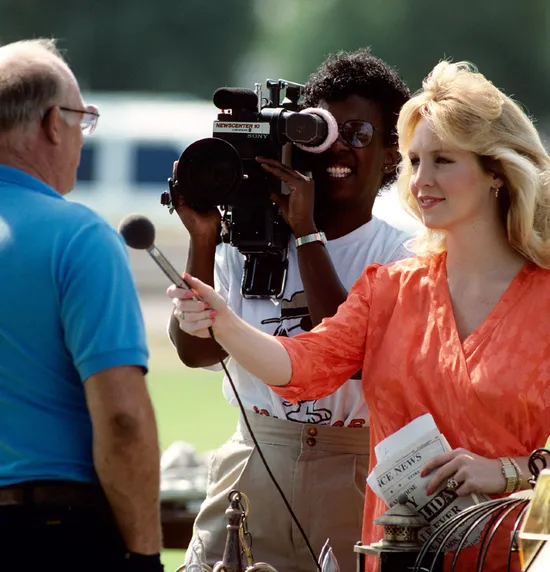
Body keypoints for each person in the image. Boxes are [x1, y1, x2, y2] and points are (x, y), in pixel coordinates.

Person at [171, 60, 550, 572]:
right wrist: (223, 320)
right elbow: (304, 365)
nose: (421, 181)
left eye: (442, 161)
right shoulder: (390, 286)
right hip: (393, 551)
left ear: (496, 173)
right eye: (415, 161)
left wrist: (509, 471)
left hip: (507, 553)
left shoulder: (542, 300)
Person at [168, 49, 411, 571]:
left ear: (393, 154)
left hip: (353, 470)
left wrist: (306, 233)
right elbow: (196, 352)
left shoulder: (402, 254)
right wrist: (205, 238)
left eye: (359, 134)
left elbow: (349, 356)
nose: (338, 147)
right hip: (254, 460)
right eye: (323, 132)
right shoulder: (247, 241)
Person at [0, 39, 163, 572]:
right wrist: (144, 556)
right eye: (81, 119)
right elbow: (122, 419)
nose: (80, 137)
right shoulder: (79, 236)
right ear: (53, 123)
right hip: (48, 532)